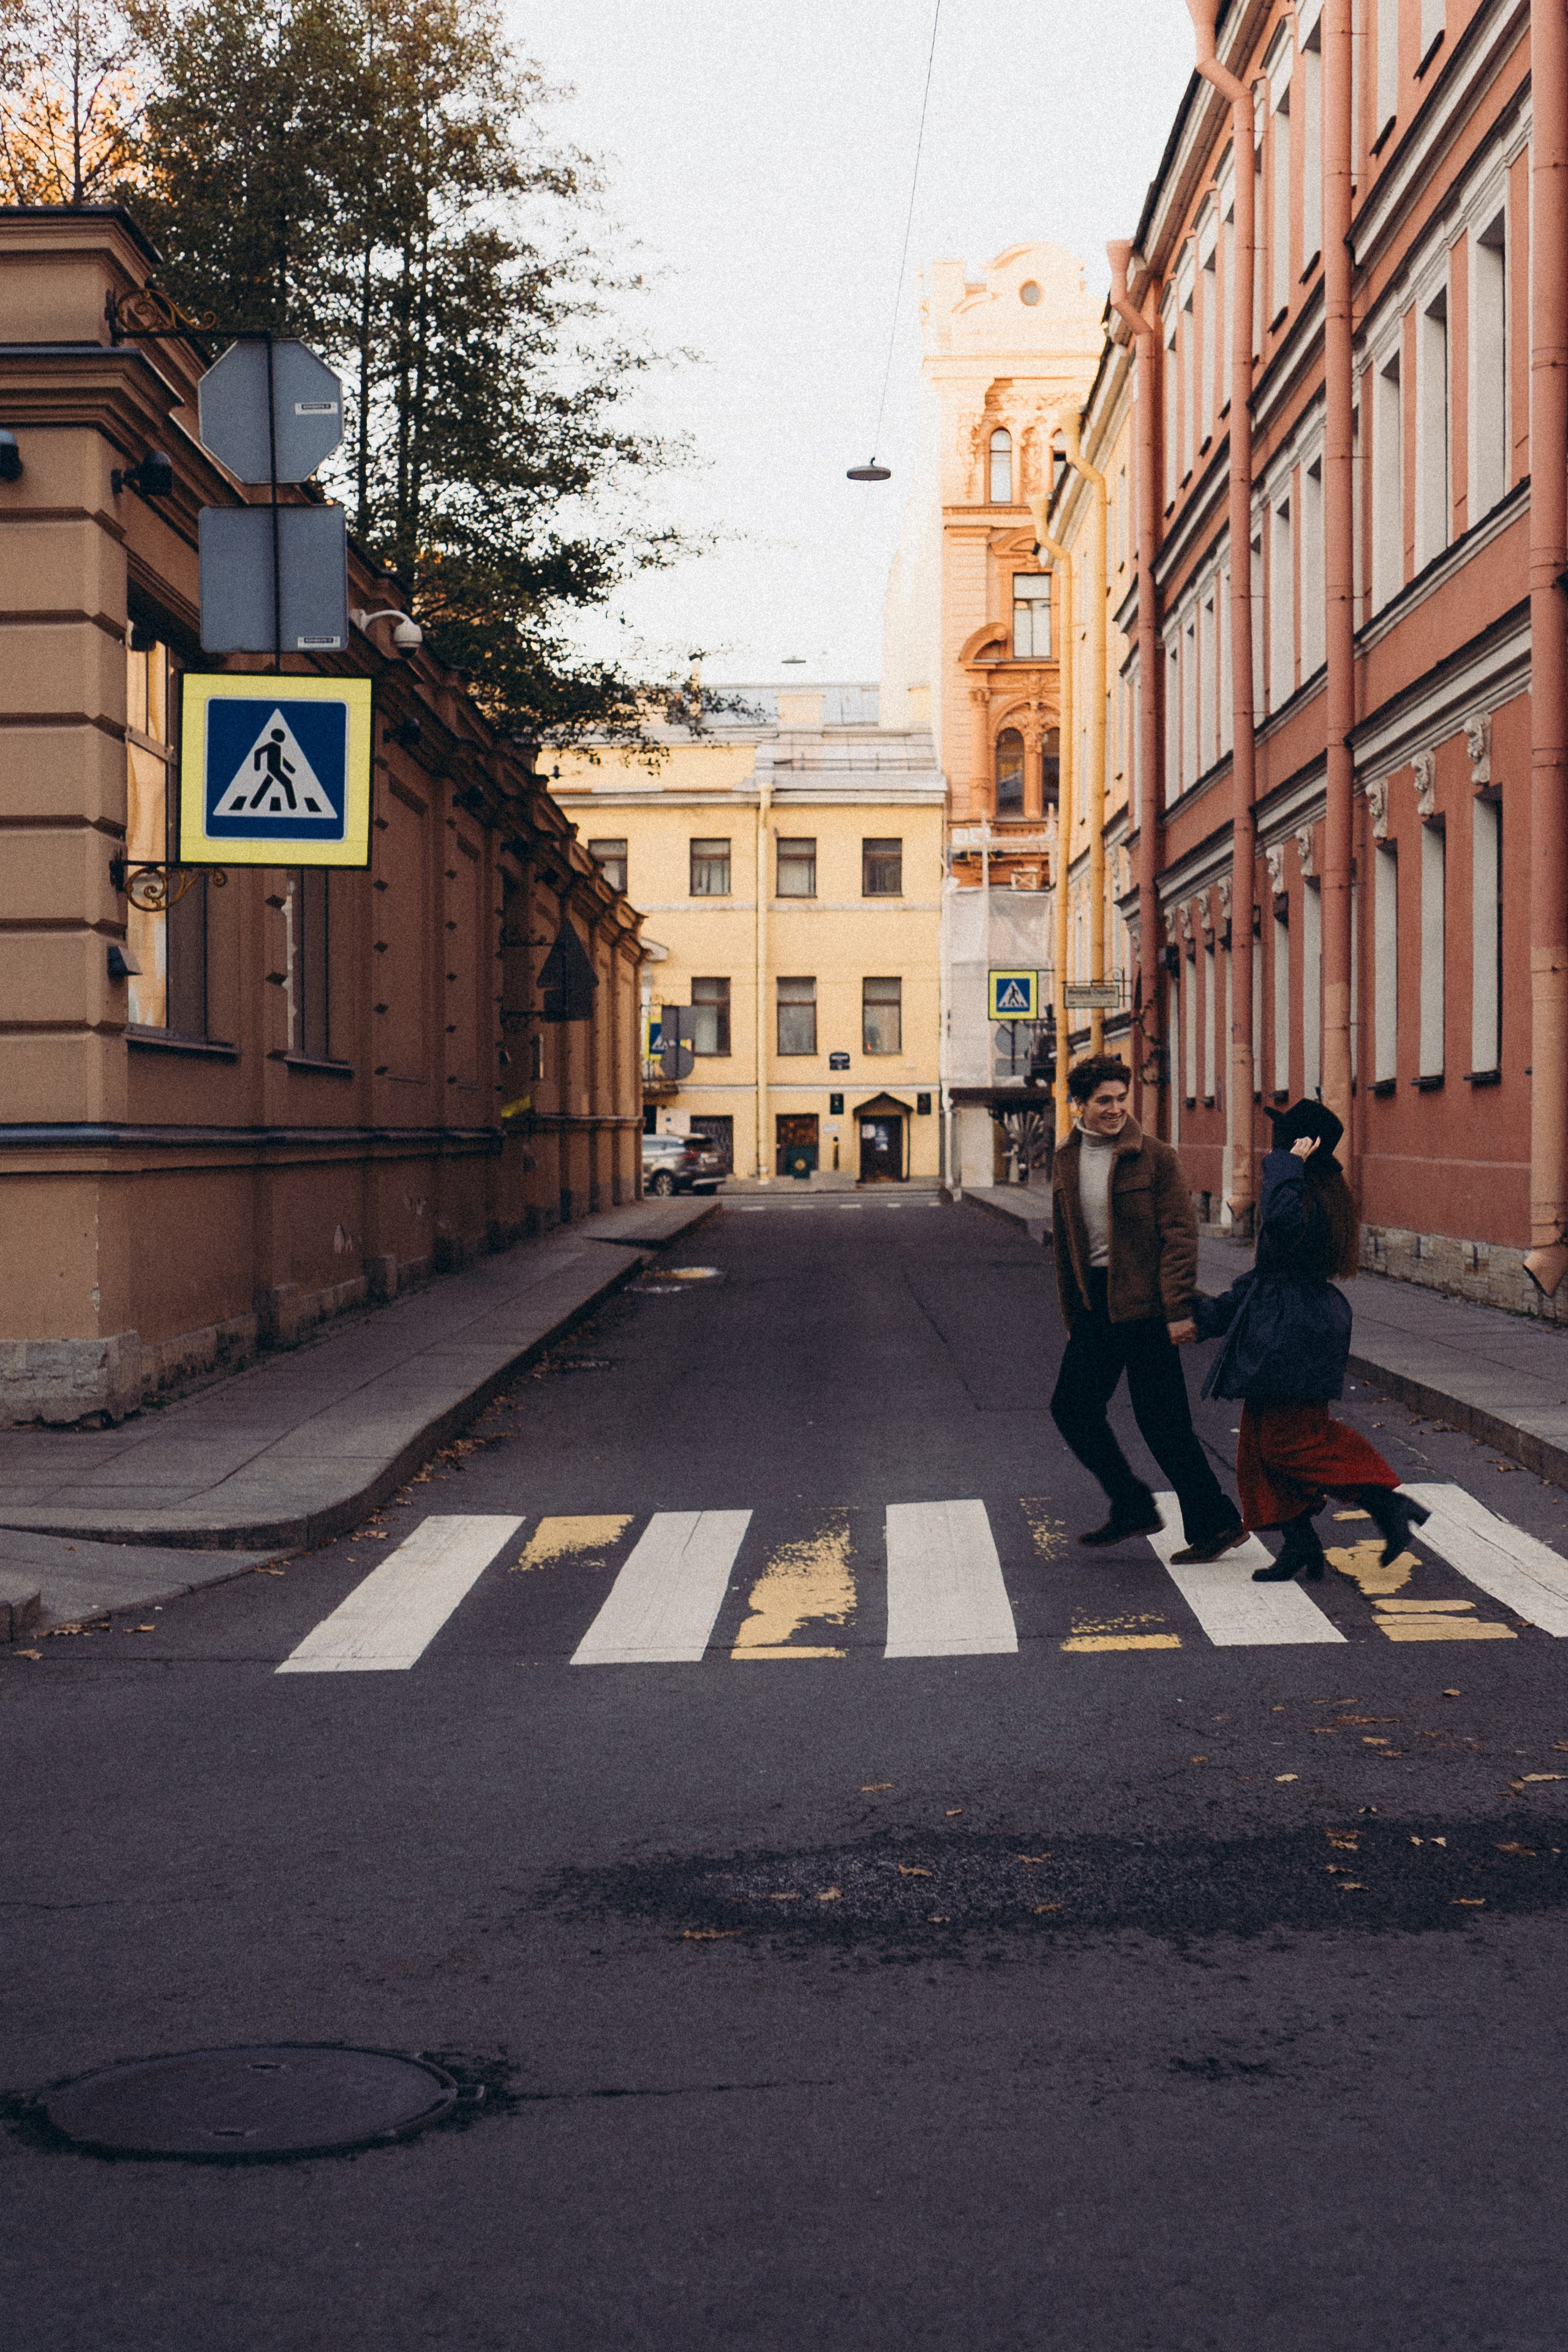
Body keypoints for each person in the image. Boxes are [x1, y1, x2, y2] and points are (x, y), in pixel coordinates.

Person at [1194, 1099, 1429, 1582]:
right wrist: (1207, 1318)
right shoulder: (1303, 1188)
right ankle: (1300, 1544)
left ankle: (1388, 1504)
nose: (1274, 1148)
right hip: (1284, 1327)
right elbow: (1265, 1277)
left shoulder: (1305, 1193)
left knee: (1293, 1443)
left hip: (1296, 1332)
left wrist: (1286, 1167)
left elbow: (1282, 1227)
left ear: (1302, 1146)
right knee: (1258, 1451)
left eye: (1285, 1141)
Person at [1049, 1054, 1245, 1561]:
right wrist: (1073, 1316)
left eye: (1121, 1098)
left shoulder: (1155, 1157)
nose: (1116, 1109)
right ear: (1079, 1104)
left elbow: (1179, 1237)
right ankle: (1133, 1504)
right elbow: (1067, 1246)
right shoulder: (1066, 1159)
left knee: (1163, 1422)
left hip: (1147, 1305)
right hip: (1096, 1306)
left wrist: (1178, 1309)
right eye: (1104, 1101)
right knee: (1072, 1408)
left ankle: (1217, 1523)